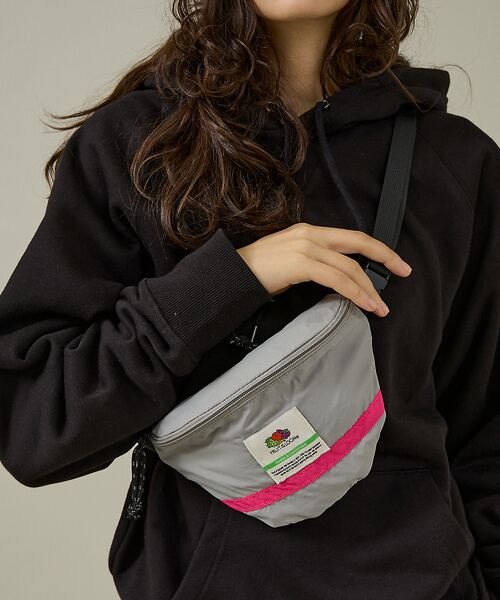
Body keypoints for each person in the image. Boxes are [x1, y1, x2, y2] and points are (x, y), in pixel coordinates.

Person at [0, 1, 498, 599]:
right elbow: (34, 426)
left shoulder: (457, 164)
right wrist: (229, 281)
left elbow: (487, 432)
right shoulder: (139, 146)